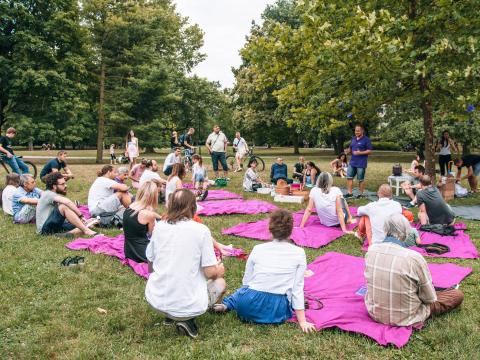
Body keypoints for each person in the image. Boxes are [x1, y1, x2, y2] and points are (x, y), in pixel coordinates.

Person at [213, 210, 316, 333]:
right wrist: (303, 321)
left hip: (246, 306)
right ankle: (228, 305)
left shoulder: (258, 249)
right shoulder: (299, 253)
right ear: (291, 230)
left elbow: (246, 281)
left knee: (244, 290)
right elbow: (297, 289)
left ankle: (227, 304)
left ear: (270, 229)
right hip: (276, 310)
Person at [145, 189, 226, 339]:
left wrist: (155, 275)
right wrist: (218, 270)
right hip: (187, 306)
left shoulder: (160, 227)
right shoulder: (201, 230)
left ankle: (170, 316)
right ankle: (187, 320)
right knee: (220, 283)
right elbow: (210, 273)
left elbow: (150, 258)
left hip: (155, 299)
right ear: (193, 208)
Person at [364, 213, 464, 327]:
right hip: (407, 317)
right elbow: (429, 298)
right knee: (456, 295)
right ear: (406, 233)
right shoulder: (414, 258)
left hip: (375, 313)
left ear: (385, 230)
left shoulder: (371, 250)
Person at [36, 172, 99, 236]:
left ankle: (74, 231)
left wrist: (84, 221)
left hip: (54, 225)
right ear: (54, 186)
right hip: (44, 230)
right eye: (62, 184)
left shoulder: (50, 194)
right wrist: (81, 216)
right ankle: (86, 230)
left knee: (82, 225)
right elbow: (67, 202)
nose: (66, 186)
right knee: (63, 206)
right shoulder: (48, 194)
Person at [123, 181, 162, 263]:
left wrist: (160, 217)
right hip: (142, 252)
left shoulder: (131, 206)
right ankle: (152, 268)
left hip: (129, 250)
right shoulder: (148, 215)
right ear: (153, 196)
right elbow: (151, 235)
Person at [345, 124, 373, 198]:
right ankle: (349, 193)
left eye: (358, 131)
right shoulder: (353, 138)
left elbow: (370, 151)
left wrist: (360, 153)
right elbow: (351, 148)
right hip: (352, 162)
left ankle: (361, 194)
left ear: (362, 131)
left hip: (361, 163)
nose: (356, 132)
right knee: (349, 177)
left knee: (360, 179)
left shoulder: (366, 139)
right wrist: (348, 151)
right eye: (355, 131)